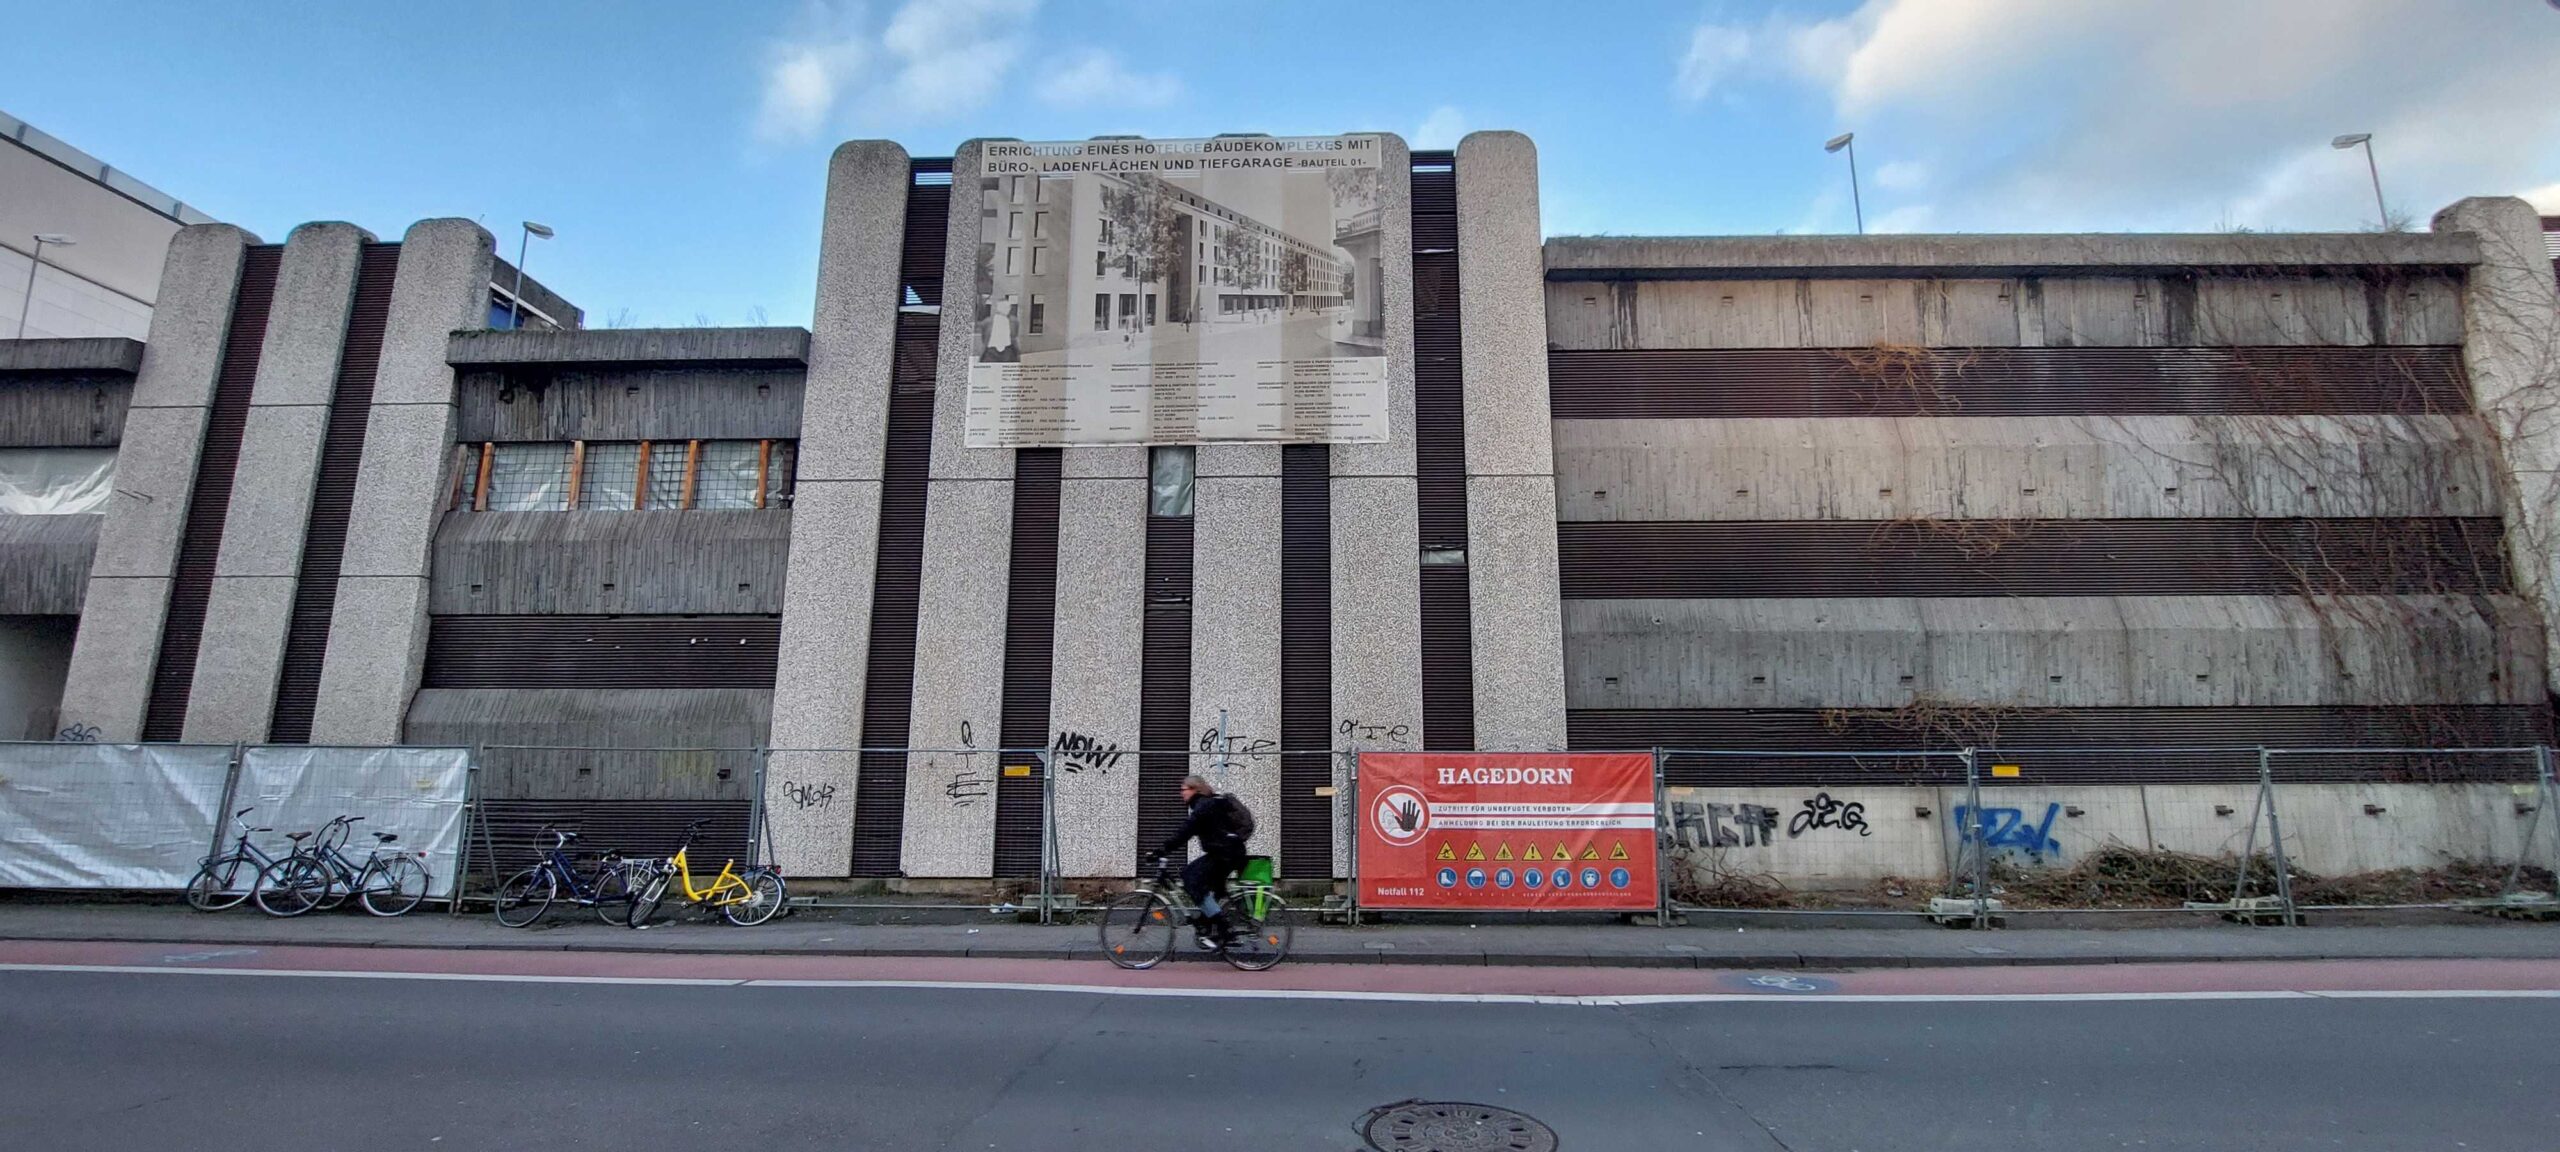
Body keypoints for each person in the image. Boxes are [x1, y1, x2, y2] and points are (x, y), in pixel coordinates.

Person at [1151, 774, 1254, 949]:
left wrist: (1163, 849)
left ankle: (1225, 930)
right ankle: (1208, 927)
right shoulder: (1208, 803)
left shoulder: (1203, 806)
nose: (1180, 793)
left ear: (1194, 790)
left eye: (1183, 789)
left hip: (1225, 854)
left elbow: (1186, 830)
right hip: (1229, 853)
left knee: (1190, 878)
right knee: (1208, 888)